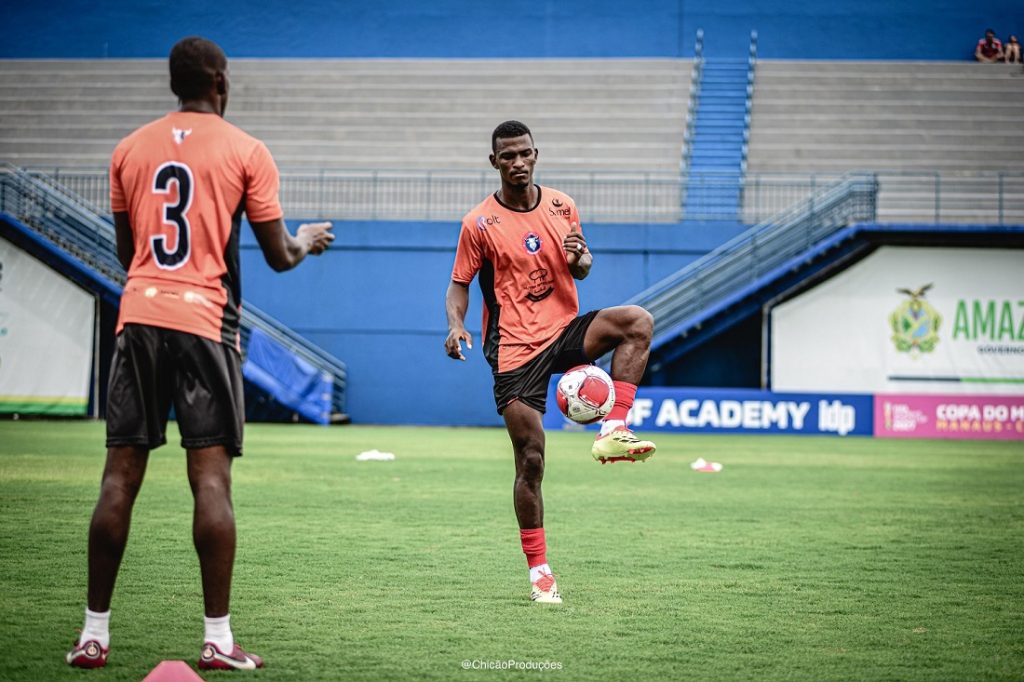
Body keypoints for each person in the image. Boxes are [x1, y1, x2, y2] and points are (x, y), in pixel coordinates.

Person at [65, 36, 334, 670]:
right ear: (220, 81)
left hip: (139, 315)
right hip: (205, 322)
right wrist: (305, 240)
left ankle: (93, 635)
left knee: (118, 479)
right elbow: (278, 256)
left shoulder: (127, 149)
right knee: (210, 480)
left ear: (172, 83)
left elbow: (127, 249)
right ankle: (217, 641)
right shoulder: (246, 150)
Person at [444, 120, 656, 605]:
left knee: (637, 322)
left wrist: (583, 259)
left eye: (524, 154)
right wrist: (456, 325)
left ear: (536, 154)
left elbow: (580, 265)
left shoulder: (563, 206)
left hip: (564, 329)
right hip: (514, 348)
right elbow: (459, 282)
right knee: (532, 459)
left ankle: (612, 431)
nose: (517, 163)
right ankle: (539, 569)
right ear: (494, 162)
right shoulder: (479, 222)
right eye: (507, 156)